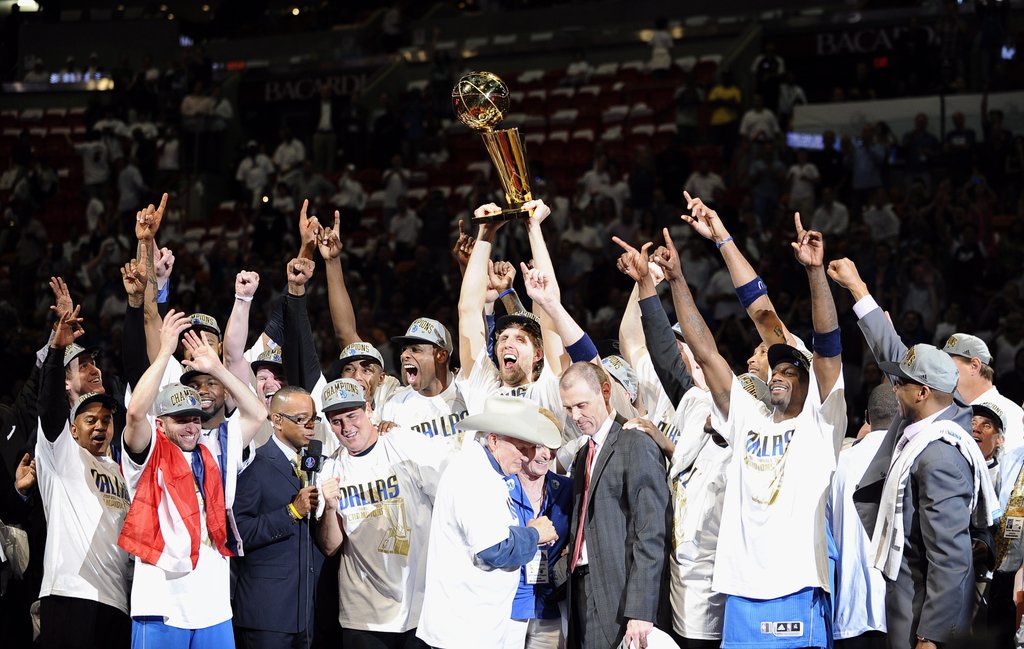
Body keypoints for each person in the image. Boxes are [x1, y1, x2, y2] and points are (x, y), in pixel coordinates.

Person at [646, 210, 845, 649]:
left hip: (796, 586)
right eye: (776, 369)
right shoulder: (747, 417)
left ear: (811, 384)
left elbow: (827, 343)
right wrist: (677, 280)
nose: (779, 375)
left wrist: (815, 273)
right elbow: (705, 352)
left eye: (791, 371)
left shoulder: (821, 420)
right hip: (739, 590)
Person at [827, 257, 998, 649]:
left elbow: (950, 557)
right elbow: (895, 353)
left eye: (900, 384)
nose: (892, 387)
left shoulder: (939, 456)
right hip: (906, 602)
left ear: (921, 392)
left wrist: (930, 637)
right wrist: (856, 287)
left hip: (923, 618)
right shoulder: (939, 408)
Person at [118, 311, 268, 646]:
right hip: (160, 604)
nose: (191, 426)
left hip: (214, 606)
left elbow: (258, 413)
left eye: (196, 418)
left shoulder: (217, 447)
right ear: (161, 423)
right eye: (181, 419)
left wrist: (217, 368)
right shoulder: (148, 452)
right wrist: (164, 353)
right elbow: (135, 413)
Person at [417, 395, 560, 649]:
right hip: (463, 632)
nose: (527, 457)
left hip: (476, 627)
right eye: (522, 448)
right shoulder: (474, 474)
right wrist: (535, 534)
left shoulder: (489, 471)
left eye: (531, 448)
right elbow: (494, 549)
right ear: (494, 440)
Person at [315, 378, 448, 648]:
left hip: (418, 605)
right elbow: (330, 547)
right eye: (337, 421)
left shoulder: (405, 443)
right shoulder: (330, 470)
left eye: (352, 416)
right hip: (363, 614)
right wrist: (329, 508)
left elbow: (449, 497)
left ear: (369, 409)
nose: (346, 427)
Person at [34, 306, 132, 649]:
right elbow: (49, 407)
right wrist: (56, 350)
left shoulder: (120, 471)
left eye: (106, 419)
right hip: (70, 594)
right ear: (72, 429)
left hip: (117, 601)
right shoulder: (61, 455)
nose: (100, 425)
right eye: (90, 420)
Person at [560, 361, 670, 649]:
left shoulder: (635, 442)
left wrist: (641, 609)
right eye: (568, 408)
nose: (575, 416)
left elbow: (651, 531)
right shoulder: (583, 453)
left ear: (605, 391)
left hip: (619, 597)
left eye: (581, 405)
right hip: (581, 589)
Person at [233, 385, 324, 649]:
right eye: (301, 419)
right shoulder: (254, 465)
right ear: (277, 420)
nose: (310, 426)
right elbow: (238, 532)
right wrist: (291, 512)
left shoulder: (318, 464)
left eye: (314, 418)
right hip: (268, 613)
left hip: (310, 612)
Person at [830, 384, 896, 649]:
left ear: (867, 417)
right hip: (896, 609)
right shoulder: (911, 456)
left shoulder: (837, 463)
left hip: (848, 606)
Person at [506, 409, 573, 649]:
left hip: (550, 610)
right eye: (539, 445)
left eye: (551, 446)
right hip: (507, 610)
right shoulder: (500, 488)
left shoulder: (566, 490)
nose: (546, 454)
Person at [379, 316, 468, 446]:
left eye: (415, 349)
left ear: (441, 356)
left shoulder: (467, 390)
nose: (404, 355)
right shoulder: (395, 405)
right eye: (404, 349)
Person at [941, 333, 1024, 451]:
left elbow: (1013, 462)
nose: (942, 373)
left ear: (974, 366)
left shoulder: (1010, 414)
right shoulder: (950, 411)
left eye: (948, 365)